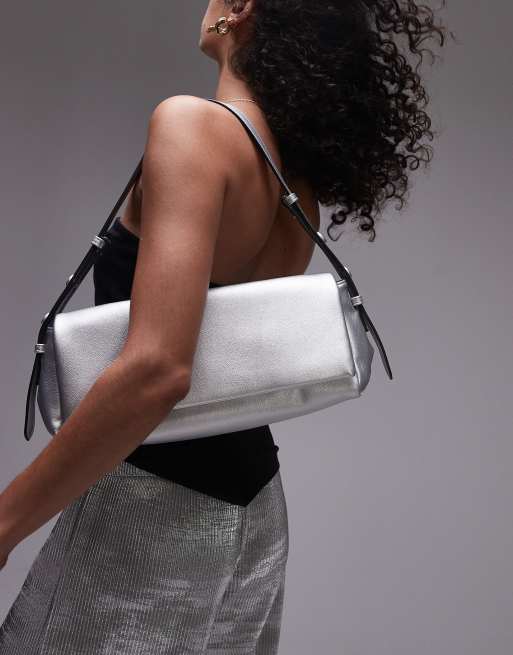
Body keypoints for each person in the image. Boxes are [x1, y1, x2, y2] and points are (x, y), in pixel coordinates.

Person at [0, 1, 449, 653]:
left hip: (152, 513)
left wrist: (6, 522)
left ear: (239, 9)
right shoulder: (294, 186)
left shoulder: (191, 128)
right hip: (255, 515)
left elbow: (159, 370)